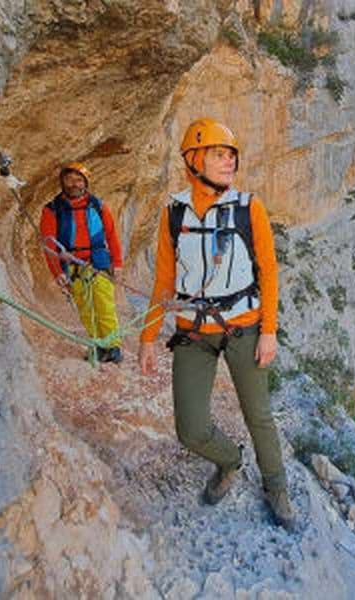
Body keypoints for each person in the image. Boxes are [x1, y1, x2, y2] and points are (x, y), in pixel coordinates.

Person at [137, 118, 295, 530]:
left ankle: (276, 486)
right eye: (219, 154)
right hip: (193, 330)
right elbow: (164, 279)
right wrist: (148, 337)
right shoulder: (174, 213)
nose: (230, 163)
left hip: (242, 324)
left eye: (232, 156)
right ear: (194, 160)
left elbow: (269, 271)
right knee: (189, 429)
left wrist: (269, 330)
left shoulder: (248, 208)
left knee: (257, 413)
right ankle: (230, 460)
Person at [40, 162, 124, 363]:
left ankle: (112, 347)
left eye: (78, 180)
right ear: (62, 182)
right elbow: (49, 245)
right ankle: (97, 345)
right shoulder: (52, 210)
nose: (74, 184)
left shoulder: (98, 206)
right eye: (69, 180)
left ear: (85, 183)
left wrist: (117, 263)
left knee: (105, 305)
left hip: (98, 262)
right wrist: (58, 272)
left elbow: (112, 236)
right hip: (73, 264)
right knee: (86, 308)